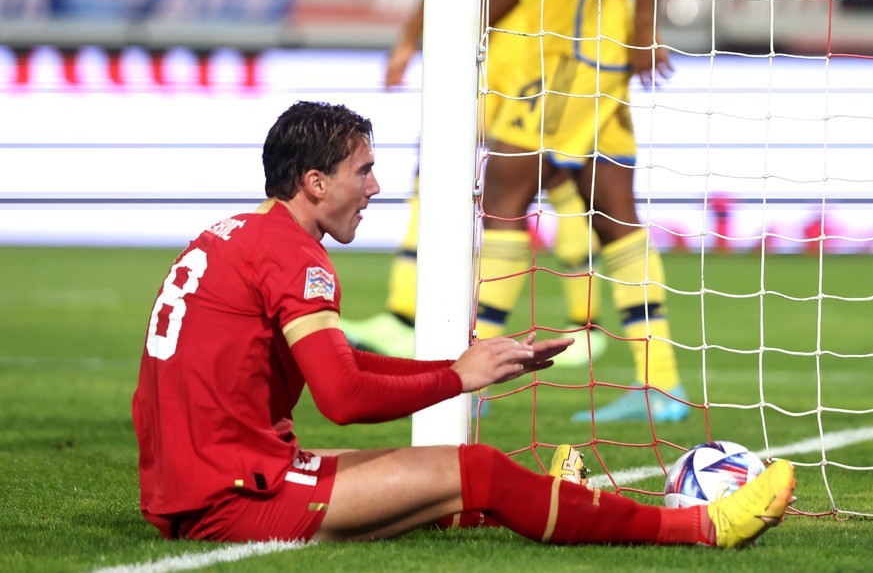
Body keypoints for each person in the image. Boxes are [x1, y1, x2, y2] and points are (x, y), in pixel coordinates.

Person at [132, 100, 795, 547]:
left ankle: (547, 499)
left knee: (436, 474)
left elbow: (346, 366)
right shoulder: (294, 256)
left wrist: (467, 359)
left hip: (200, 477)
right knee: (478, 466)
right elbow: (341, 396)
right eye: (362, 170)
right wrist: (458, 376)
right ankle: (702, 527)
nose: (375, 186)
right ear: (314, 182)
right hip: (233, 494)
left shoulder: (238, 234)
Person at [341, 0, 609, 372]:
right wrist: (412, 40)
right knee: (435, 161)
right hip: (489, 49)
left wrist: (456, 34)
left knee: (557, 173)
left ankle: (585, 324)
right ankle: (403, 316)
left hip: (540, 44)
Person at [478, 0, 688, 423]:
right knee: (614, 213)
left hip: (567, 51)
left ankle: (473, 377)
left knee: (503, 194)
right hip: (593, 47)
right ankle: (661, 382)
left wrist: (465, 30)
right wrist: (641, 26)